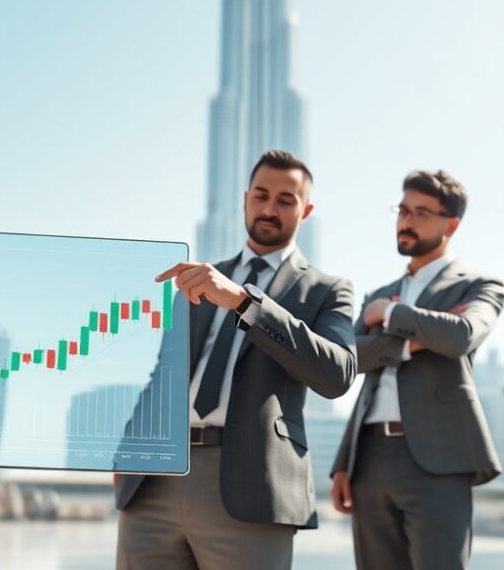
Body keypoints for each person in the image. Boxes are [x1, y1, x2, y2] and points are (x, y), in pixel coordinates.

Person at [115, 150, 357, 570]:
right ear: (245, 198)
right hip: (156, 479)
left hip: (252, 484)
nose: (270, 208)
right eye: (261, 195)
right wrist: (128, 448)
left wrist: (246, 303)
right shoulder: (196, 279)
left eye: (286, 199)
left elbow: (338, 373)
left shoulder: (327, 289)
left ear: (307, 210)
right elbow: (164, 375)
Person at [329, 169, 504, 570]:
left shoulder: (479, 284)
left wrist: (388, 316)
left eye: (422, 212)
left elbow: (461, 336)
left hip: (440, 457)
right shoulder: (376, 293)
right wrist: (344, 462)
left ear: (452, 224)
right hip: (369, 458)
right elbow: (350, 356)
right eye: (403, 210)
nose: (406, 221)